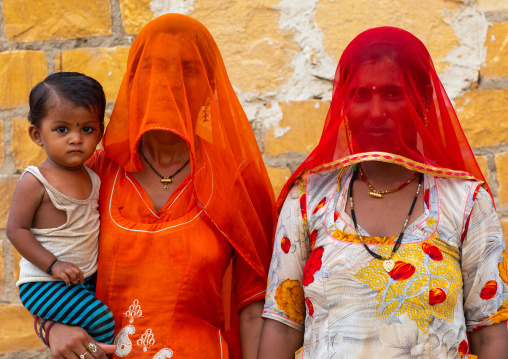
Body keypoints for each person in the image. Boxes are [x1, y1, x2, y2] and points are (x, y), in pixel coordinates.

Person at [258, 27, 508, 359]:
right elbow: (281, 324)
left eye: (393, 93)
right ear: (343, 100)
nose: (376, 112)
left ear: (423, 98)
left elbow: (490, 330)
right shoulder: (308, 199)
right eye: (361, 95)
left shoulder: (465, 202)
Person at [43, 14, 275, 359]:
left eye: (189, 69)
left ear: (211, 87)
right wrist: (53, 329)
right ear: (133, 82)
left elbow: (256, 306)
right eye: (152, 67)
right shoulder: (91, 174)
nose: (171, 81)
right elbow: (42, 272)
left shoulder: (237, 180)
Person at [6, 72, 115, 349]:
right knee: (101, 320)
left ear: (100, 132)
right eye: (62, 129)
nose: (76, 139)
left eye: (87, 129)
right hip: (44, 284)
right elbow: (16, 231)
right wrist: (54, 265)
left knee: (90, 326)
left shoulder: (94, 178)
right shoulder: (36, 180)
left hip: (82, 280)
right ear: (36, 134)